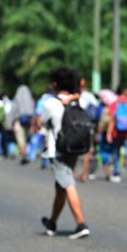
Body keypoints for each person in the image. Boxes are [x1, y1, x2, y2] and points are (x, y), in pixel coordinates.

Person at [41, 67, 90, 239]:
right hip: (75, 147)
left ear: (55, 83)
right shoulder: (78, 101)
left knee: (67, 182)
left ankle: (81, 223)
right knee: (60, 186)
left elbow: (43, 122)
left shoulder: (51, 103)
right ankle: (52, 222)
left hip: (59, 149)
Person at [9, 84, 35, 164]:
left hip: (18, 122)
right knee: (26, 139)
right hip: (28, 122)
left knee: (21, 140)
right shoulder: (31, 101)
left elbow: (12, 113)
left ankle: (23, 154)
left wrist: (10, 124)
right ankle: (25, 154)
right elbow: (33, 113)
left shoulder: (16, 100)